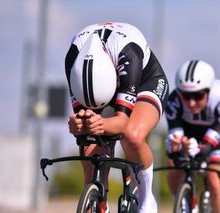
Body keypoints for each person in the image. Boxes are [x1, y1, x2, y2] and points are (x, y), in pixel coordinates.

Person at [64, 22, 169, 213]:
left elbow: (122, 122)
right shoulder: (73, 60)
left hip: (146, 81)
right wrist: (79, 124)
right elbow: (83, 117)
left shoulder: (129, 54)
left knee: (132, 136)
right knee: (90, 152)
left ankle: (147, 199)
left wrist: (102, 123)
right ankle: (97, 200)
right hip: (96, 88)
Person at [165, 60, 220, 213]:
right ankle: (185, 201)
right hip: (190, 131)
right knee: (174, 166)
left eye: (198, 96)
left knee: (215, 180)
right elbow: (175, 141)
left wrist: (199, 148)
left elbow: (209, 145)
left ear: (209, 90)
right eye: (186, 95)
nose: (191, 103)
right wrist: (177, 146)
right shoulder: (173, 100)